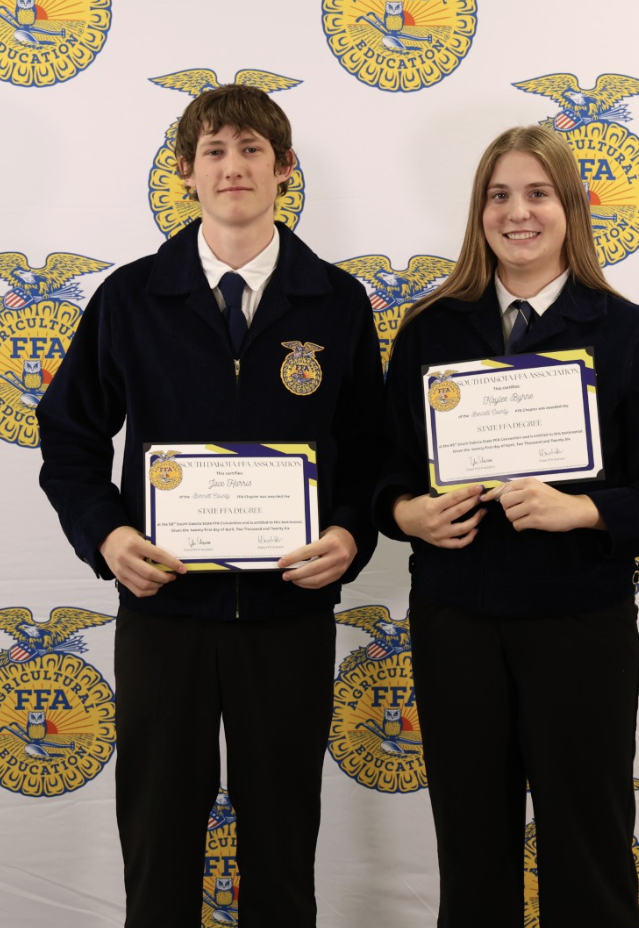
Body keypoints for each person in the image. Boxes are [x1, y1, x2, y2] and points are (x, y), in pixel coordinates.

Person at [37, 84, 383, 928]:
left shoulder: (335, 302)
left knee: (282, 843)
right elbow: (69, 439)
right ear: (186, 171)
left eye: (254, 150)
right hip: (166, 613)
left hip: (287, 615)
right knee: (157, 843)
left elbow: (373, 452)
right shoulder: (130, 297)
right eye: (216, 151)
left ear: (284, 169)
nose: (235, 167)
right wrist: (108, 534)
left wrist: (349, 533)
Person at [373, 125, 639, 928]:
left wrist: (587, 509)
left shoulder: (625, 333)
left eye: (537, 194)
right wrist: (405, 511)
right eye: (499, 195)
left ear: (570, 207)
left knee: (589, 851)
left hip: (579, 627)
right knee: (470, 849)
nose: (517, 213)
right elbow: (384, 467)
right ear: (479, 212)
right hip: (457, 623)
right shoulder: (432, 331)